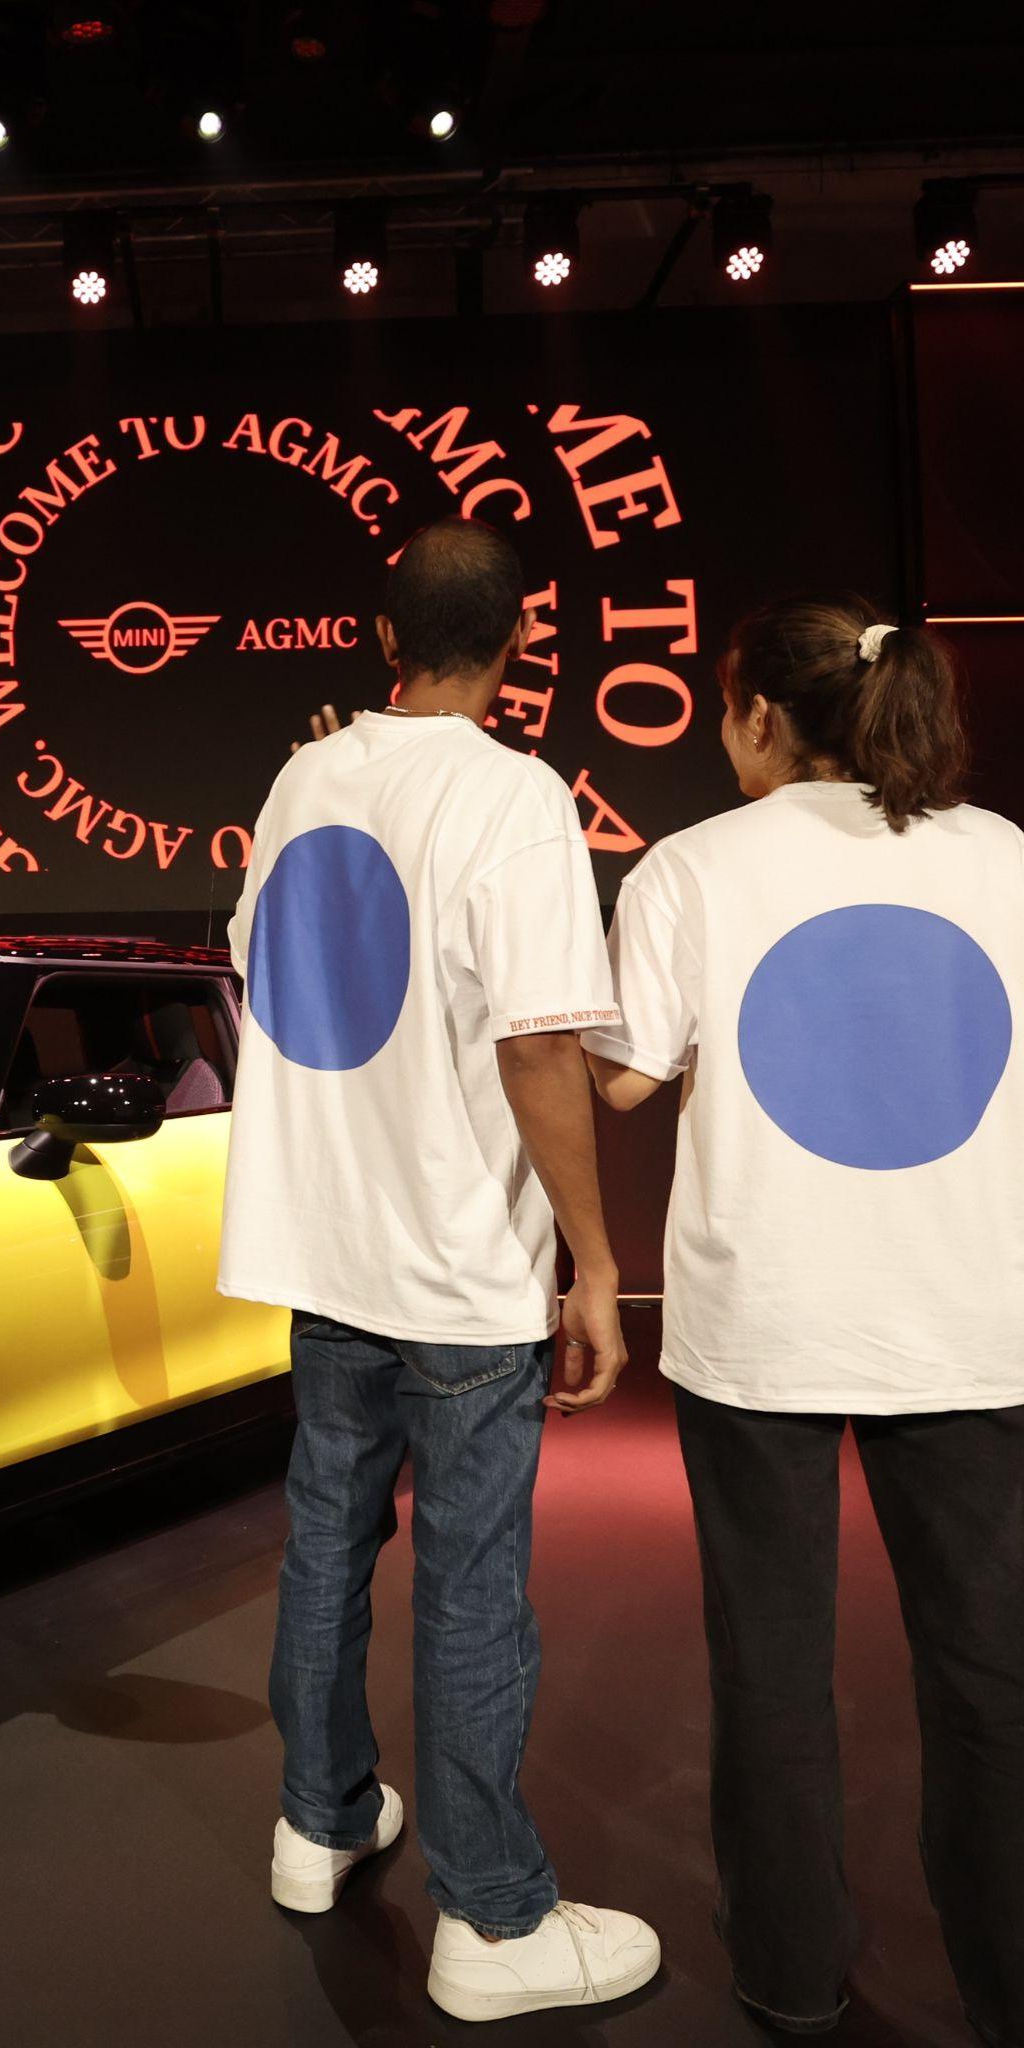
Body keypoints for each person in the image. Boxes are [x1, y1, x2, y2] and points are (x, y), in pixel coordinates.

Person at [220, 515, 661, 2022]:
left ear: (381, 637)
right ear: (521, 642)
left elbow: (258, 965)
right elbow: (540, 1045)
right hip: (459, 1257)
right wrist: (593, 1259)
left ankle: (319, 1821)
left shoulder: (302, 778)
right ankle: (492, 1917)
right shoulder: (514, 796)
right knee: (472, 1584)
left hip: (328, 1243)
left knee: (326, 1544)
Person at [584, 596, 1024, 2046]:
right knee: (992, 1672)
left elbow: (622, 1077)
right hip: (972, 1315)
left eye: (725, 709)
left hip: (764, 1319)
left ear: (762, 717)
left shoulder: (691, 869)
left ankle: (790, 1974)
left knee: (770, 1669)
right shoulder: (1007, 858)